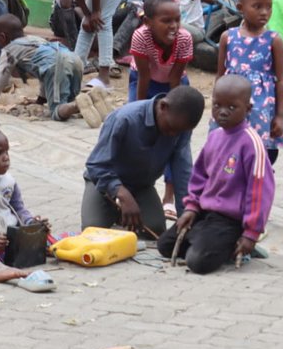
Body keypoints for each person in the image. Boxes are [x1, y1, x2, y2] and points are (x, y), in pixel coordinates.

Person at [157, 75, 275, 274]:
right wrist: (191, 207)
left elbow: (260, 192)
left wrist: (251, 233)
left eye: (231, 107)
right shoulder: (214, 137)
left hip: (231, 219)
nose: (222, 112)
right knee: (164, 246)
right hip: (205, 212)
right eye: (217, 105)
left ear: (248, 109)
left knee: (198, 263)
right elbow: (200, 176)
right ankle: (206, 240)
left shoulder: (251, 143)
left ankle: (237, 244)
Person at [82, 85, 205, 238]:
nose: (173, 135)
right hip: (103, 183)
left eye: (179, 131)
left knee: (155, 227)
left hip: (141, 186)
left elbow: (183, 173)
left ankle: (122, 213)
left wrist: (186, 213)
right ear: (163, 106)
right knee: (92, 229)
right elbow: (96, 165)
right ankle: (114, 208)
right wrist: (123, 195)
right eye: (171, 128)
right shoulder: (124, 118)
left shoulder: (180, 128)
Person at [0, 125, 58, 291]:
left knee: (52, 240)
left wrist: (31, 223)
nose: (6, 158)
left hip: (12, 238)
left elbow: (19, 209)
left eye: (7, 152)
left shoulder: (7, 181)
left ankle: (73, 251)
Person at [130, 0, 195, 218]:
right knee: (138, 135)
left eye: (177, 19)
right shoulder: (140, 37)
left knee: (176, 140)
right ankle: (134, 196)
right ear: (148, 22)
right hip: (144, 83)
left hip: (174, 84)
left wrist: (175, 115)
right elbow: (144, 78)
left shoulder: (185, 39)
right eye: (166, 21)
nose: (174, 26)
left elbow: (176, 80)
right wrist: (140, 113)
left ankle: (176, 202)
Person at [0, 14, 108, 127]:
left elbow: (1, 76)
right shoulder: (34, 39)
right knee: (70, 100)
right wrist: (40, 100)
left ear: (2, 37)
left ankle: (77, 106)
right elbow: (44, 74)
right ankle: (92, 98)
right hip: (74, 59)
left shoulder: (9, 50)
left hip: (58, 63)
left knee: (57, 111)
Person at [217, 0, 283, 164]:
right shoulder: (227, 37)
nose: (265, 12)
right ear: (241, 7)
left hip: (261, 110)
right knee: (228, 154)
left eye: (269, 7)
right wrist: (215, 108)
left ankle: (258, 189)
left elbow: (281, 80)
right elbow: (220, 76)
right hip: (231, 107)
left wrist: (279, 115)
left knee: (261, 156)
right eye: (257, 6)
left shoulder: (274, 40)